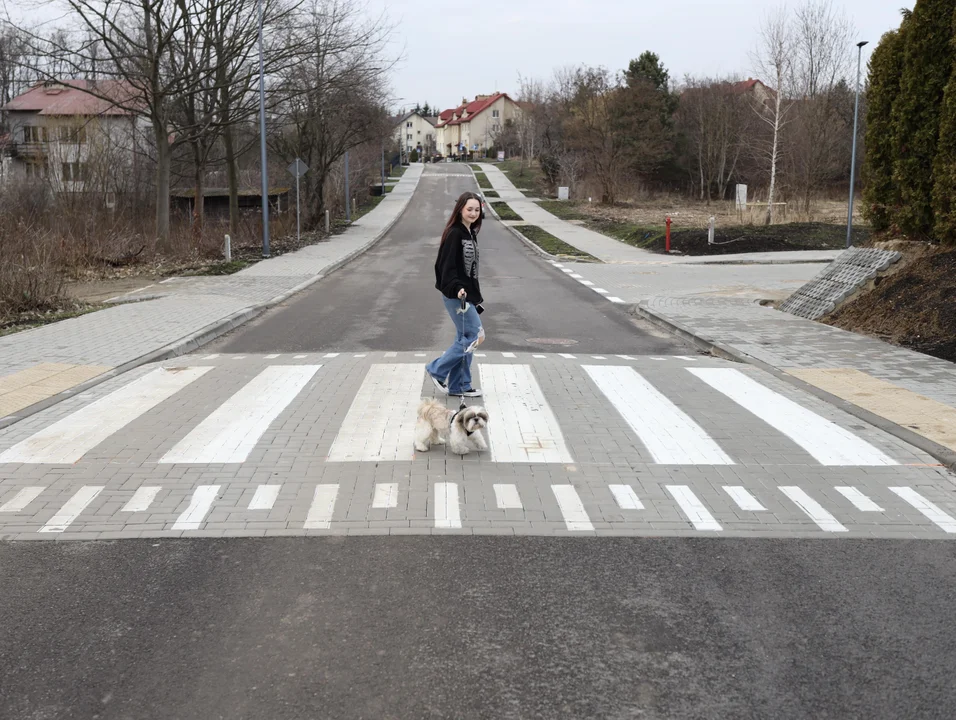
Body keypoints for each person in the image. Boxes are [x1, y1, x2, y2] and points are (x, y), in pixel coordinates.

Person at [426, 191, 485, 398]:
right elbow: (446, 266)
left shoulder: (470, 232)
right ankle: (436, 369)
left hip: (466, 295)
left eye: (477, 209)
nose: (473, 213)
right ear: (460, 209)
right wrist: (457, 287)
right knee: (476, 336)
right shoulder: (455, 233)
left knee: (465, 338)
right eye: (469, 209)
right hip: (456, 295)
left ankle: (459, 385)